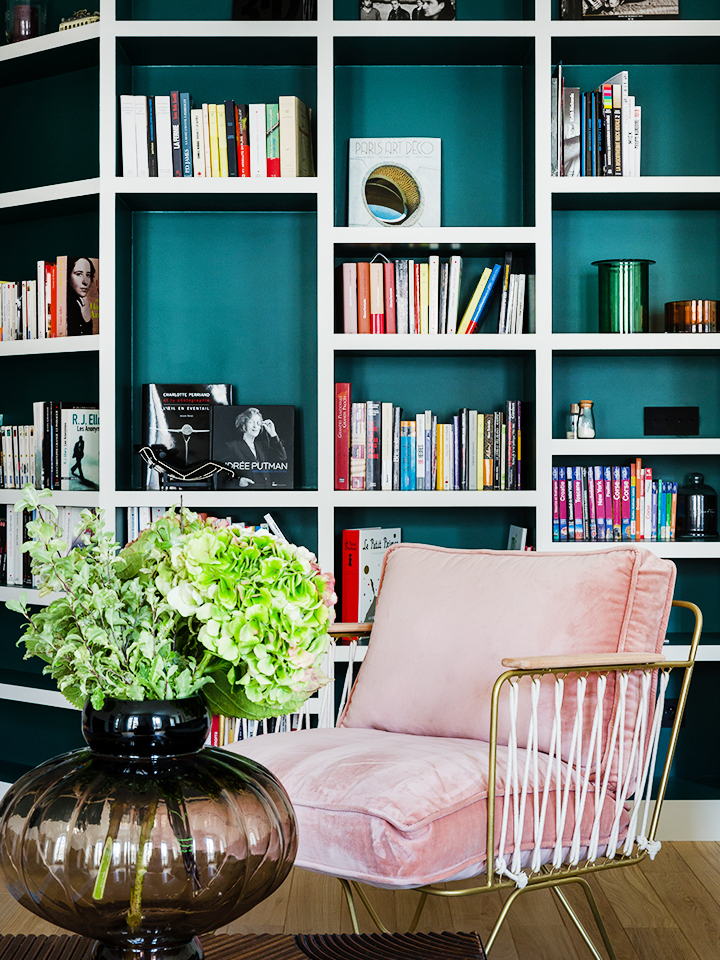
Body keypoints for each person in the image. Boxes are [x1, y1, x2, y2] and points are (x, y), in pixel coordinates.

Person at [221, 407, 288, 488]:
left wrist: (273, 434)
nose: (255, 426)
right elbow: (221, 473)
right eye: (251, 422)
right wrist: (238, 481)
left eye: (258, 423)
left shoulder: (263, 446)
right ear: (243, 424)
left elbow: (282, 457)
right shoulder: (231, 447)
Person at [66, 257, 96, 337]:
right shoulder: (65, 306)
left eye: (88, 275)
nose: (85, 282)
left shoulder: (83, 305)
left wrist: (87, 320)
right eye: (79, 274)